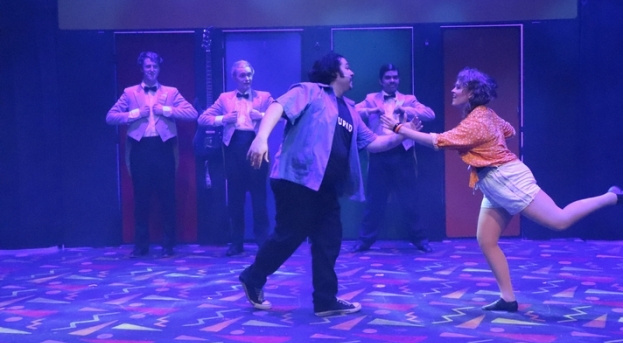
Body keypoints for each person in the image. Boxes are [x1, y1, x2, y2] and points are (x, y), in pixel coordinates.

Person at [382, 67, 623, 313]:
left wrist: (399, 129)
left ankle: (611, 196)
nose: (453, 90)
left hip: (506, 179)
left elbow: (437, 141)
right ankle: (508, 299)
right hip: (494, 183)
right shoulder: (483, 115)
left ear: (471, 93)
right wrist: (488, 141)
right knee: (486, 240)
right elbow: (509, 130)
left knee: (559, 220)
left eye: (458, 87)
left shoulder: (477, 121)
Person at [239, 52, 421, 317]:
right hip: (297, 178)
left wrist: (402, 133)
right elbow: (278, 107)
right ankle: (253, 277)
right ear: (335, 72)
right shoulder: (309, 91)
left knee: (329, 240)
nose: (353, 72)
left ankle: (325, 300)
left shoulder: (350, 110)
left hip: (326, 187)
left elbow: (373, 143)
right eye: (348, 67)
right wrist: (261, 138)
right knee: (289, 235)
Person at [106, 51, 197, 258]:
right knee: (141, 199)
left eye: (155, 66)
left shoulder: (171, 92)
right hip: (140, 148)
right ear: (141, 68)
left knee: (167, 198)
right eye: (148, 66)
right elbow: (110, 117)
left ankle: (168, 244)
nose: (152, 70)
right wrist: (134, 114)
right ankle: (141, 245)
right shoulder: (130, 93)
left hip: (163, 148)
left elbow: (192, 113)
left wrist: (166, 110)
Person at [352, 63, 436, 253]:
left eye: (395, 77)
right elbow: (352, 112)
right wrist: (370, 111)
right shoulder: (371, 99)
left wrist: (406, 110)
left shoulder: (409, 99)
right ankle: (364, 241)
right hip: (379, 153)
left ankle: (420, 240)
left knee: (410, 200)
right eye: (388, 77)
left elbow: (430, 114)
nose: (392, 80)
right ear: (381, 81)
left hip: (403, 154)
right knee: (374, 201)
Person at [198, 61, 274, 256]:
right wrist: (223, 119)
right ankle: (236, 242)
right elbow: (202, 119)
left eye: (249, 74)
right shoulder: (225, 98)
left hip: (256, 148)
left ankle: (263, 242)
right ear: (234, 78)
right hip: (233, 150)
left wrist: (262, 115)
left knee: (259, 199)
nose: (247, 78)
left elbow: (282, 116)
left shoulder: (264, 97)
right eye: (242, 75)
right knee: (235, 199)